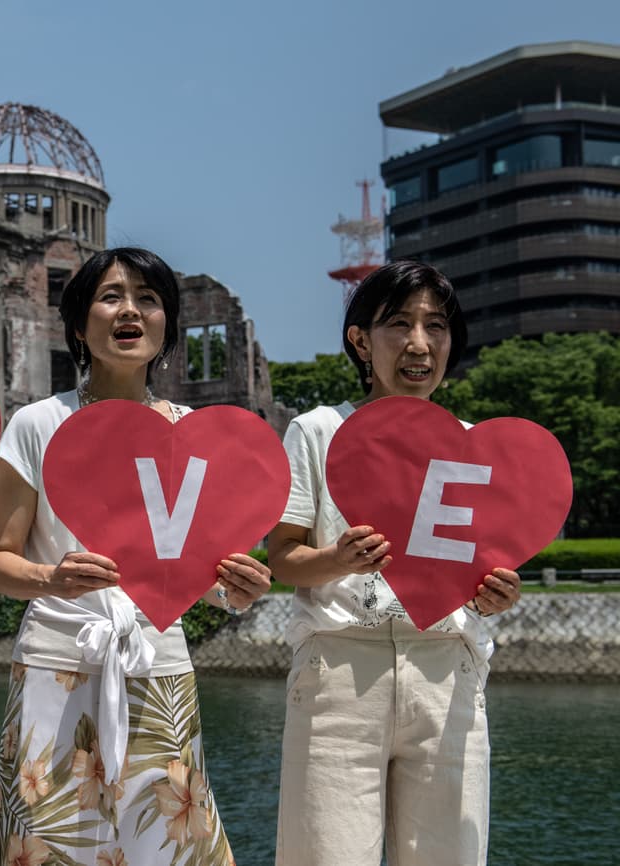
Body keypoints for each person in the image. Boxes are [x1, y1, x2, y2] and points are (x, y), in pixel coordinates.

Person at [0, 247, 271, 866]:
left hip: (158, 663)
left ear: (167, 322)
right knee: (47, 842)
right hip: (56, 663)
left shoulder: (193, 432)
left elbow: (204, 568)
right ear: (79, 324)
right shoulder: (37, 423)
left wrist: (235, 589)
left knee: (169, 844)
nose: (130, 310)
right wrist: (50, 577)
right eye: (111, 296)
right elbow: (0, 562)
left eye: (148, 298)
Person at [270, 260, 523, 866]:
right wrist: (334, 559)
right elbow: (283, 558)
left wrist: (496, 592)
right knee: (324, 854)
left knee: (450, 855)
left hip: (447, 670)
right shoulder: (318, 431)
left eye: (436, 326)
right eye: (399, 324)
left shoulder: (471, 442)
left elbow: (479, 570)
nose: (420, 343)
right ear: (360, 340)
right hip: (338, 671)